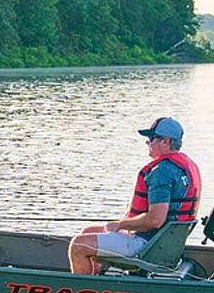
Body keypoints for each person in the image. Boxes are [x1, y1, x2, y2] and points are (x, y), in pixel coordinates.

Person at [67, 117, 201, 275]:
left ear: (165, 141)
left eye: (151, 138)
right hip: (162, 243)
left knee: (78, 245)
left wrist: (120, 225)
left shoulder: (162, 172)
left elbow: (155, 220)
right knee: (87, 232)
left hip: (147, 244)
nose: (147, 143)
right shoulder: (184, 166)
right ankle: (98, 284)